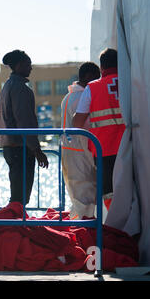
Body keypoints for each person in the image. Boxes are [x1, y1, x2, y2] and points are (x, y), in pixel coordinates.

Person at [73, 48, 124, 209]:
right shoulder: (131, 83)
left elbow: (77, 123)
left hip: (104, 149)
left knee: (109, 192)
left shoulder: (93, 88)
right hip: (130, 146)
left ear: (101, 67)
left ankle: (115, 228)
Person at [0, 49, 49, 208]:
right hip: (20, 148)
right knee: (20, 196)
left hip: (9, 146)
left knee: (17, 193)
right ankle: (14, 227)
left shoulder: (6, 86)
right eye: (28, 64)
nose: (31, 68)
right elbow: (24, 121)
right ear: (19, 65)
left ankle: (14, 225)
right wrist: (37, 150)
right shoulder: (20, 89)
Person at [61, 62, 100, 219]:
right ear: (88, 77)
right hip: (80, 153)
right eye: (96, 77)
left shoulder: (68, 97)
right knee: (85, 200)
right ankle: (85, 235)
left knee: (78, 199)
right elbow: (86, 128)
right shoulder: (81, 97)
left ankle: (79, 230)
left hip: (70, 152)